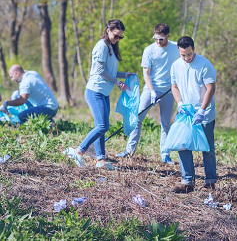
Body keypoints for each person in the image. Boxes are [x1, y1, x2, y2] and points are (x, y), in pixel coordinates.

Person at [64, 19, 135, 170]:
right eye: (116, 35)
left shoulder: (111, 47)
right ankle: (78, 151)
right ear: (108, 30)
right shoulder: (101, 46)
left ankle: (101, 160)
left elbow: (110, 71)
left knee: (100, 126)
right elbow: (100, 71)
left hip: (104, 92)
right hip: (95, 91)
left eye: (120, 37)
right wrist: (117, 82)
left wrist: (125, 75)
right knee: (103, 126)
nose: (118, 39)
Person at [116, 23, 179, 164]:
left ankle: (165, 154)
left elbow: (188, 56)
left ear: (168, 36)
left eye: (161, 39)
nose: (158, 41)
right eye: (155, 38)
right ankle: (129, 151)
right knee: (137, 118)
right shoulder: (149, 50)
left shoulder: (176, 48)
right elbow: (146, 73)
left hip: (169, 91)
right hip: (151, 89)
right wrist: (152, 91)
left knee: (165, 123)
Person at [170, 36, 217, 193]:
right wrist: (180, 103)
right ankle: (187, 181)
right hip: (186, 113)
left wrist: (202, 110)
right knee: (183, 145)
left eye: (189, 54)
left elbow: (211, 88)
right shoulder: (176, 65)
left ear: (193, 49)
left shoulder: (204, 65)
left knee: (207, 148)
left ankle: (210, 182)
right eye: (183, 55)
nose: (186, 58)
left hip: (204, 113)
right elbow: (174, 86)